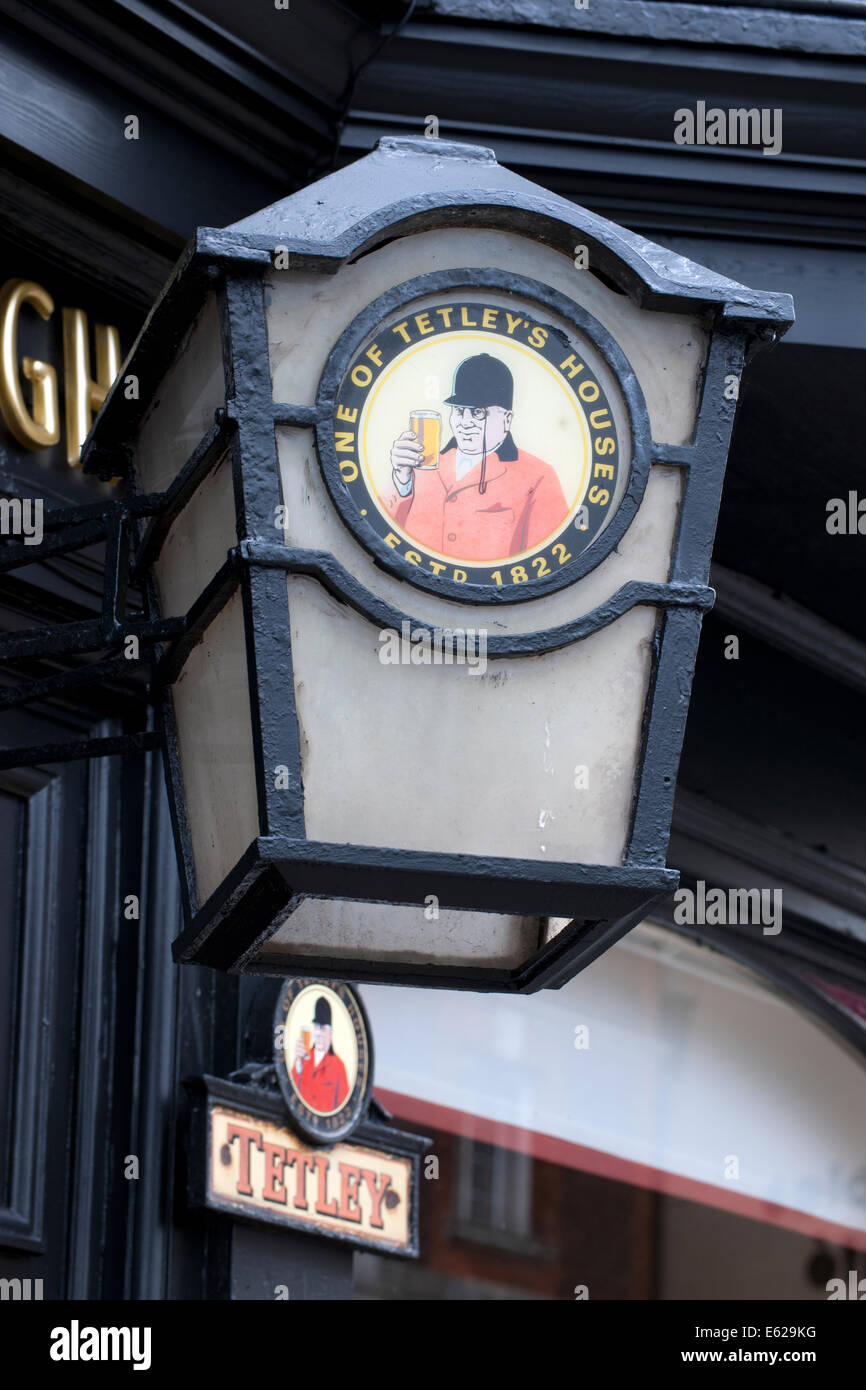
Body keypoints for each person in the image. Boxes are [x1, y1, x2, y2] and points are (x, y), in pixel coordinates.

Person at [383, 353, 569, 562]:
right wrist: (401, 480)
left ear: (506, 420)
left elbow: (547, 560)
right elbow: (380, 540)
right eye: (460, 411)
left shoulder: (539, 476)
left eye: (478, 413)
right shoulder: (422, 465)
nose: (465, 422)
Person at [293, 996, 349, 1112]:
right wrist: (298, 1063)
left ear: (331, 1032)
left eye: (323, 1029)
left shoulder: (339, 1066)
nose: (318, 1033)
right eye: (316, 1027)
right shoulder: (303, 1059)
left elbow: (343, 1108)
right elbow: (288, 1091)